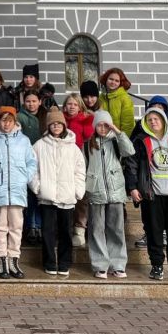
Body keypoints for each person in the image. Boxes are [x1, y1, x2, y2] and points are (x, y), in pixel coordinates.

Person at [125, 106, 168, 281]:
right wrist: (133, 187)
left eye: (156, 119)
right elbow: (131, 166)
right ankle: (156, 266)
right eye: (149, 120)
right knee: (153, 233)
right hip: (151, 196)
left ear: (164, 120)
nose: (153, 122)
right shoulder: (140, 141)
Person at [0, 106, 37, 279]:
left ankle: (14, 259)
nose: (6, 124)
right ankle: (2, 260)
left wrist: (24, 177)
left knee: (16, 227)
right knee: (0, 226)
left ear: (15, 122)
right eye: (3, 120)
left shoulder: (24, 140)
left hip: (18, 190)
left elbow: (32, 162)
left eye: (10, 120)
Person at [30, 108, 86, 277]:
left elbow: (80, 171)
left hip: (67, 196)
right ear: (48, 126)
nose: (56, 126)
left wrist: (78, 191)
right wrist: (37, 187)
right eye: (52, 123)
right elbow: (32, 169)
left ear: (64, 125)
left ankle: (64, 262)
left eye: (59, 123)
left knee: (65, 232)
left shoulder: (73, 148)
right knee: (48, 232)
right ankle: (49, 262)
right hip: (47, 197)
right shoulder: (39, 145)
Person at [130, 94, 168, 249]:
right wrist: (133, 186)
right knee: (151, 222)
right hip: (150, 185)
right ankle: (150, 236)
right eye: (153, 108)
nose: (156, 111)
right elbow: (133, 157)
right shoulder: (140, 130)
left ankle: (167, 240)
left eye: (160, 108)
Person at [85, 110, 134, 279]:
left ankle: (118, 265)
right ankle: (100, 265)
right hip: (96, 190)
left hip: (115, 190)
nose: (103, 128)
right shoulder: (88, 144)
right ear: (94, 126)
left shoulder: (116, 141)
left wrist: (117, 131)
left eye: (106, 125)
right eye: (99, 125)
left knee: (116, 229)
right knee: (96, 229)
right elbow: (83, 165)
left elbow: (130, 151)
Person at [63, 93, 94, 248]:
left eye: (75, 104)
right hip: (62, 160)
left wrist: (87, 122)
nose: (72, 107)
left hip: (79, 159)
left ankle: (79, 230)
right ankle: (65, 229)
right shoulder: (61, 119)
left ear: (80, 106)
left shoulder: (84, 119)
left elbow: (89, 136)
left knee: (81, 195)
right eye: (69, 104)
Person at [17, 90, 46, 246]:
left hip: (43, 160)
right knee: (29, 195)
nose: (31, 104)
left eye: (34, 101)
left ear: (40, 102)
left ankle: (39, 226)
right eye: (28, 101)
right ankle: (31, 226)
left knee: (40, 193)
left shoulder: (45, 116)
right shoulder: (20, 117)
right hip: (26, 161)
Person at [99, 68, 135, 137]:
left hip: (119, 138)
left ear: (120, 83)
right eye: (111, 79)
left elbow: (128, 124)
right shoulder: (101, 97)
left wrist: (124, 139)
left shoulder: (125, 98)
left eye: (117, 81)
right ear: (106, 79)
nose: (113, 82)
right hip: (103, 137)